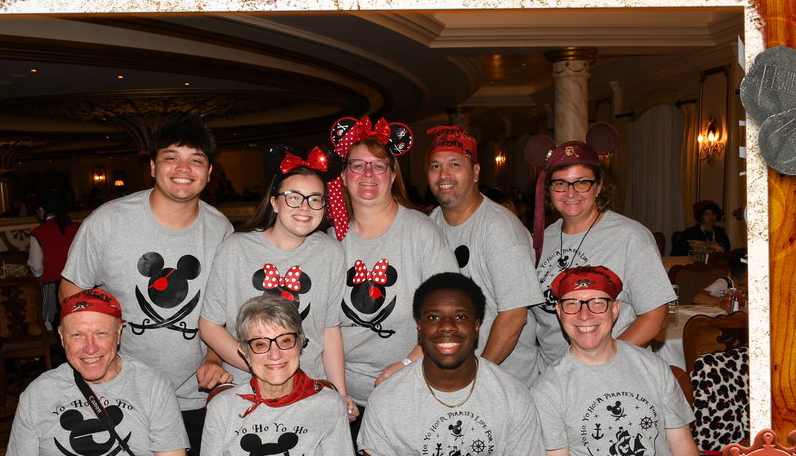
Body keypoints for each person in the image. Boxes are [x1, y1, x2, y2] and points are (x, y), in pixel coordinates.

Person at [59, 118, 233, 456]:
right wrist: (95, 359)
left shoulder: (221, 230)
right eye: (171, 157)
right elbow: (72, 294)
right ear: (153, 167)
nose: (183, 169)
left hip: (195, 395)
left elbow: (226, 308)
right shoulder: (108, 221)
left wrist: (215, 355)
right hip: (122, 392)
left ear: (209, 171)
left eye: (196, 159)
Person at [197, 145, 357, 418]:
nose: (305, 208)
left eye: (315, 199)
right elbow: (210, 325)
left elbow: (329, 331)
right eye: (293, 197)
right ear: (274, 202)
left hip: (310, 386)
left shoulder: (330, 252)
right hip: (246, 388)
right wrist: (266, 367)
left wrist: (340, 395)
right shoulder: (235, 248)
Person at [358, 273, 546, 456]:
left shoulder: (513, 396)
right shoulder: (386, 400)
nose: (447, 327)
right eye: (434, 317)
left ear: (476, 326)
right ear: (419, 326)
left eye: (460, 316)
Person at [4, 289, 190, 456]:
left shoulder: (153, 387)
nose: (90, 347)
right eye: (77, 335)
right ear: (62, 337)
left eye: (101, 333)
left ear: (119, 333)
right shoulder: (37, 394)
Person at [327, 115, 457, 412]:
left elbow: (450, 309)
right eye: (357, 165)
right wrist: (337, 393)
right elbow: (321, 325)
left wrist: (408, 362)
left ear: (393, 175)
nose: (368, 173)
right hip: (343, 395)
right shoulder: (331, 238)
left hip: (412, 387)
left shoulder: (421, 232)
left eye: (378, 165)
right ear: (344, 177)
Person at [531, 266, 700, 456]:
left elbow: (683, 450)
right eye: (572, 304)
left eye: (597, 303)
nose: (584, 315)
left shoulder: (653, 367)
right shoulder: (547, 390)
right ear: (560, 312)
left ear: (615, 310)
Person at [524, 124, 675, 373]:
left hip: (615, 374)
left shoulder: (629, 236)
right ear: (549, 190)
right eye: (560, 184)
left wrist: (598, 366)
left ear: (599, 185)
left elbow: (655, 317)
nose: (570, 193)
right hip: (552, 378)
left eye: (582, 182)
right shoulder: (540, 240)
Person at [200, 296, 359, 456]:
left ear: (300, 343)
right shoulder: (221, 407)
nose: (275, 354)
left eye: (285, 341)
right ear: (244, 352)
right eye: (260, 344)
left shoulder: (328, 404)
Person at [425, 126, 543, 381]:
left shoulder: (500, 228)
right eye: (435, 166)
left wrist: (478, 374)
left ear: (476, 172)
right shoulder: (429, 225)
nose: (443, 174)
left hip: (503, 379)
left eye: (455, 164)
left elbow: (514, 316)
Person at [29, 188, 80, 326]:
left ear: (40, 210)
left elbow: (37, 268)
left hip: (53, 288)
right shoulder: (78, 228)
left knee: (56, 326)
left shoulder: (38, 233)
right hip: (79, 284)